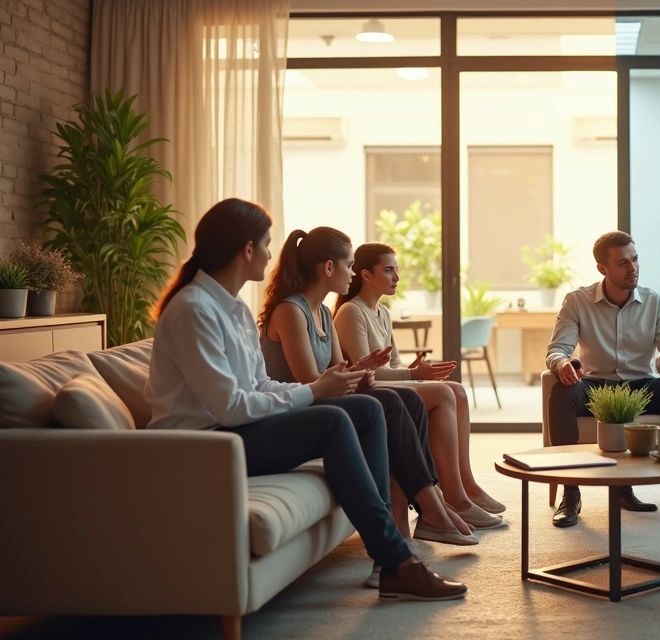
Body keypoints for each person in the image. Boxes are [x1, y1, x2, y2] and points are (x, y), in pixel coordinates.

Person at [146, 198, 465, 601]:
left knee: (367, 408)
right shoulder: (194, 310)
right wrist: (313, 391)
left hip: (235, 430)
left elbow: (258, 384)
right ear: (246, 250)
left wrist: (324, 385)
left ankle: (390, 559)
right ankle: (397, 559)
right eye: (265, 243)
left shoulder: (234, 309)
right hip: (207, 444)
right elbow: (231, 406)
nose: (269, 253)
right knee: (331, 421)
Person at [259, 227, 503, 554]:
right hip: (303, 411)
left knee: (403, 400)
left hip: (326, 400)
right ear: (328, 268)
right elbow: (311, 383)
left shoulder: (323, 313)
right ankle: (433, 506)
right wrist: (362, 372)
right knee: (395, 401)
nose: (351, 273)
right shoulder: (291, 310)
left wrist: (363, 371)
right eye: (348, 265)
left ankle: (416, 516)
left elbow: (337, 373)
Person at [334, 243, 506, 517]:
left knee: (457, 391)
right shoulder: (352, 312)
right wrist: (414, 375)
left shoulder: (384, 313)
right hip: (368, 390)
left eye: (397, 270)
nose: (397, 277)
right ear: (366, 275)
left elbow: (394, 365)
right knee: (444, 393)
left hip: (387, 384)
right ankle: (454, 496)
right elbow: (368, 372)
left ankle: (466, 485)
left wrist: (414, 369)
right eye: (388, 270)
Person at [546, 231, 660, 528]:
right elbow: (558, 349)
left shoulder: (655, 303)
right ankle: (570, 493)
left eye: (635, 259)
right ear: (602, 269)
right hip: (595, 386)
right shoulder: (577, 301)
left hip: (641, 385)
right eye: (622, 263)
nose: (633, 269)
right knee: (562, 392)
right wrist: (562, 363)